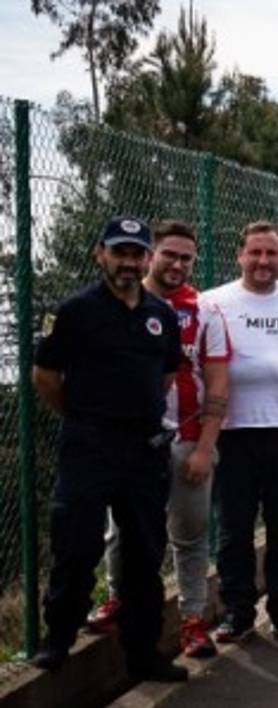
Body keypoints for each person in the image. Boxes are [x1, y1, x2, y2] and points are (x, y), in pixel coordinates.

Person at [31, 216, 187, 682]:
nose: (128, 262)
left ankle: (144, 654)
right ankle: (58, 639)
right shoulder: (73, 311)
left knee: (144, 553)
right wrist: (85, 418)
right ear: (101, 253)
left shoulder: (161, 315)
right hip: (90, 446)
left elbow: (163, 377)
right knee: (75, 544)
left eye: (137, 254)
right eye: (119, 252)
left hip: (144, 450)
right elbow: (45, 377)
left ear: (146, 259)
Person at [87, 220, 231, 659]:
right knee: (122, 533)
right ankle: (118, 598)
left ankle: (192, 619)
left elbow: (219, 386)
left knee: (190, 535)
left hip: (187, 439)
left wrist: (206, 447)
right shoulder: (122, 303)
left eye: (187, 257)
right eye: (169, 254)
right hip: (131, 442)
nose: (178, 264)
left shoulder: (206, 312)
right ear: (150, 255)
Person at [203, 220, 278, 644]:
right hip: (230, 433)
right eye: (255, 252)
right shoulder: (212, 303)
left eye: (271, 253)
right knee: (234, 528)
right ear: (240, 255)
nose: (263, 261)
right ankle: (237, 612)